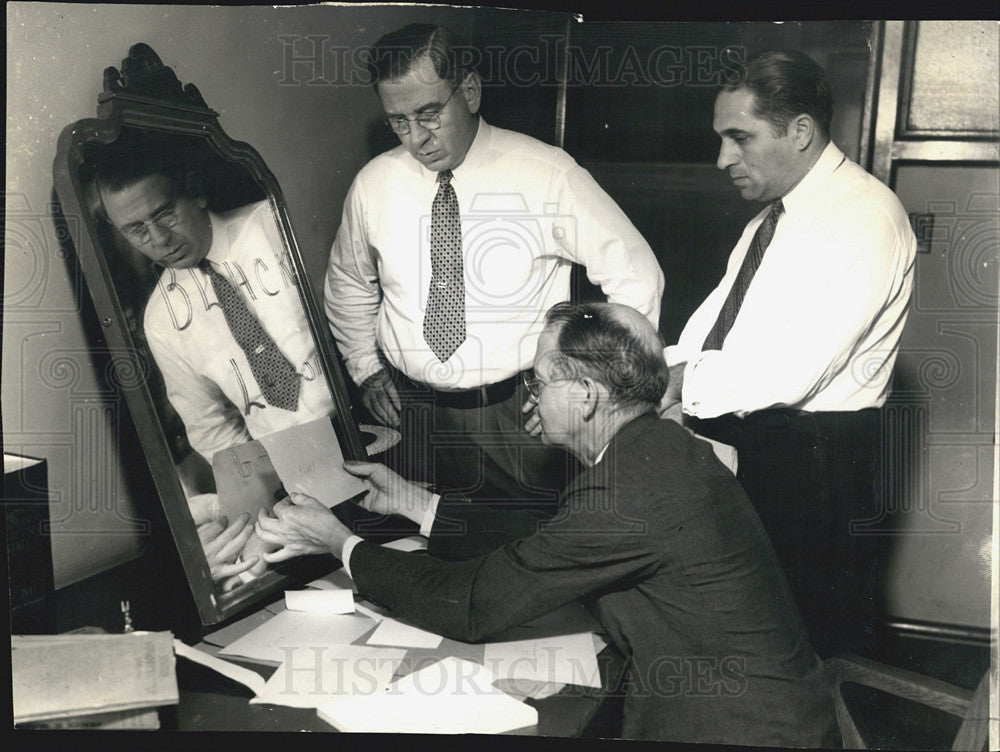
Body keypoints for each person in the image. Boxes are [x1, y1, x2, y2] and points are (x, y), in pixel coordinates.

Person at [255, 301, 839, 746]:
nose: (529, 394)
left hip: (738, 729)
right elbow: (552, 542)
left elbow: (472, 604)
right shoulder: (657, 449)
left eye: (538, 379)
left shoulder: (630, 485)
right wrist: (416, 504)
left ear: (585, 394)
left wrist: (339, 542)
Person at [325, 23, 664, 506]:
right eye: (398, 121)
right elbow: (349, 283)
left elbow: (636, 278)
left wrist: (576, 388)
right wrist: (366, 368)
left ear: (469, 91)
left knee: (524, 549)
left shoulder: (548, 174)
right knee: (424, 548)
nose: (416, 138)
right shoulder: (373, 184)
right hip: (413, 413)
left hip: (518, 416)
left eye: (429, 114)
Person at [661, 50, 917, 657]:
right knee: (743, 637)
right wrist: (641, 373)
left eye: (739, 138)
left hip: (817, 467)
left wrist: (665, 383)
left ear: (800, 131)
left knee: (801, 650)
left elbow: (790, 371)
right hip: (766, 448)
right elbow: (707, 335)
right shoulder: (770, 221)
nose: (723, 158)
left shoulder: (865, 216)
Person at [92, 140, 335, 587]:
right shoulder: (162, 320)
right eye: (136, 230)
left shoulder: (275, 225)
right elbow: (213, 428)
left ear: (195, 191)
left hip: (374, 443)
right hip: (291, 484)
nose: (159, 240)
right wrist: (269, 506)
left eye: (165, 213)